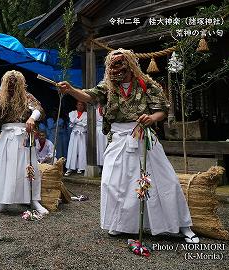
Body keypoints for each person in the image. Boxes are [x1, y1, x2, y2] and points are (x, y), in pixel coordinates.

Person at [57, 48, 198, 243]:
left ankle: (181, 224)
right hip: (118, 138)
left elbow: (161, 111)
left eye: (119, 65)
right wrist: (71, 89)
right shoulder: (107, 86)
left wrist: (151, 118)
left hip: (142, 136)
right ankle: (120, 224)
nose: (115, 70)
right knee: (112, 183)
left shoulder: (146, 84)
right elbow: (89, 96)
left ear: (130, 64)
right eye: (112, 66)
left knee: (164, 180)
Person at [0, 70, 48, 215]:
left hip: (25, 135)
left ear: (20, 84)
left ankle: (34, 200)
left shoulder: (27, 97)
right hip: (7, 135)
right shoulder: (1, 96)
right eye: (9, 83)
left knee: (30, 166)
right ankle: (2, 201)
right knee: (5, 167)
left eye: (15, 83)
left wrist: (31, 118)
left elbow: (38, 109)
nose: (12, 86)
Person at [65, 101, 88, 176]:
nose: (80, 106)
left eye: (82, 105)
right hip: (74, 134)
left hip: (82, 134)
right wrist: (80, 122)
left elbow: (85, 124)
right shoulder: (72, 113)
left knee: (81, 151)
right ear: (76, 105)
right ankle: (70, 168)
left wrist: (76, 121)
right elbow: (72, 120)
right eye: (79, 105)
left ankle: (80, 168)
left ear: (84, 106)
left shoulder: (86, 114)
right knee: (72, 150)